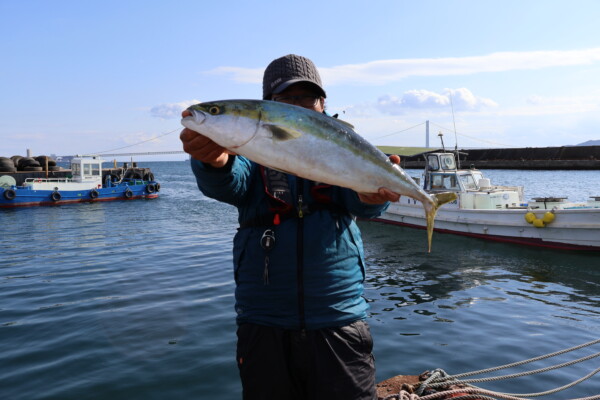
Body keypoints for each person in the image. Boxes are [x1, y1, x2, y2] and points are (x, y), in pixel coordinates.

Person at [180, 54, 400, 399]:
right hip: (264, 318)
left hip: (337, 313)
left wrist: (376, 198)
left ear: (322, 103)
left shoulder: (343, 145)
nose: (298, 105)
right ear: (268, 105)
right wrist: (214, 163)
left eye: (306, 97)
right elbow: (229, 184)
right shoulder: (251, 150)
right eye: (286, 99)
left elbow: (364, 203)